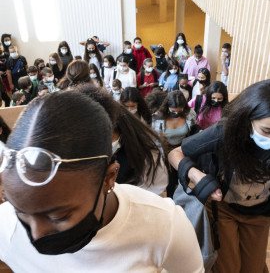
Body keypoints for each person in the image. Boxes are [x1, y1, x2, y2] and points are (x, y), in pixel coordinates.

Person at [0, 90, 204, 272]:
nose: (37, 234)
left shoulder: (165, 225)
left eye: (59, 216)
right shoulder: (4, 227)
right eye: (20, 212)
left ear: (108, 178)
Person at [168, 79, 270, 273]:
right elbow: (175, 154)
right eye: (267, 131)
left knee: (254, 268)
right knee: (228, 268)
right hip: (224, 209)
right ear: (248, 119)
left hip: (259, 212)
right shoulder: (224, 132)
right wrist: (198, 176)